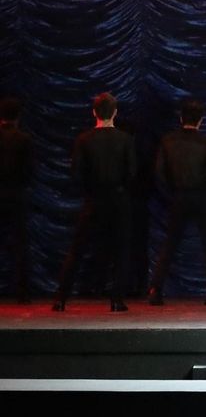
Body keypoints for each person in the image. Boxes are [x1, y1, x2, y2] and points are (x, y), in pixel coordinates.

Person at [52, 93, 136, 312]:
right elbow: (132, 172)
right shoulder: (125, 139)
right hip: (118, 200)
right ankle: (117, 300)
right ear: (115, 113)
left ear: (94, 113)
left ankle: (61, 298)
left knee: (77, 250)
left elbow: (76, 174)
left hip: (94, 200)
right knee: (120, 250)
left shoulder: (84, 139)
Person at [148, 99, 206, 306]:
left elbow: (159, 173)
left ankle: (156, 290)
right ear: (201, 121)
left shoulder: (168, 141)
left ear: (181, 118)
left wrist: (172, 192)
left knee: (169, 245)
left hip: (178, 197)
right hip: (202, 198)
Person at [0, 97, 32, 303]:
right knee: (19, 245)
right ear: (18, 116)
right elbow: (29, 172)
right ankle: (22, 293)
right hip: (16, 196)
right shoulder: (23, 139)